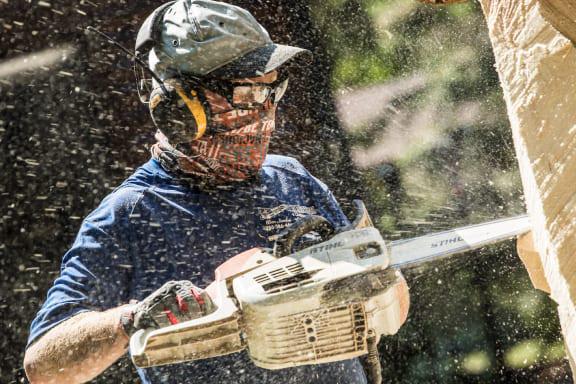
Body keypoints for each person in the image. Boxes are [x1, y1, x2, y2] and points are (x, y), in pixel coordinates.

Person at [23, 1, 368, 383]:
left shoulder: (291, 178)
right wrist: (132, 320)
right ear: (179, 109)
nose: (266, 111)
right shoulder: (130, 215)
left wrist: (366, 272)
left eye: (272, 90)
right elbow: (43, 367)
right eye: (246, 95)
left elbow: (391, 311)